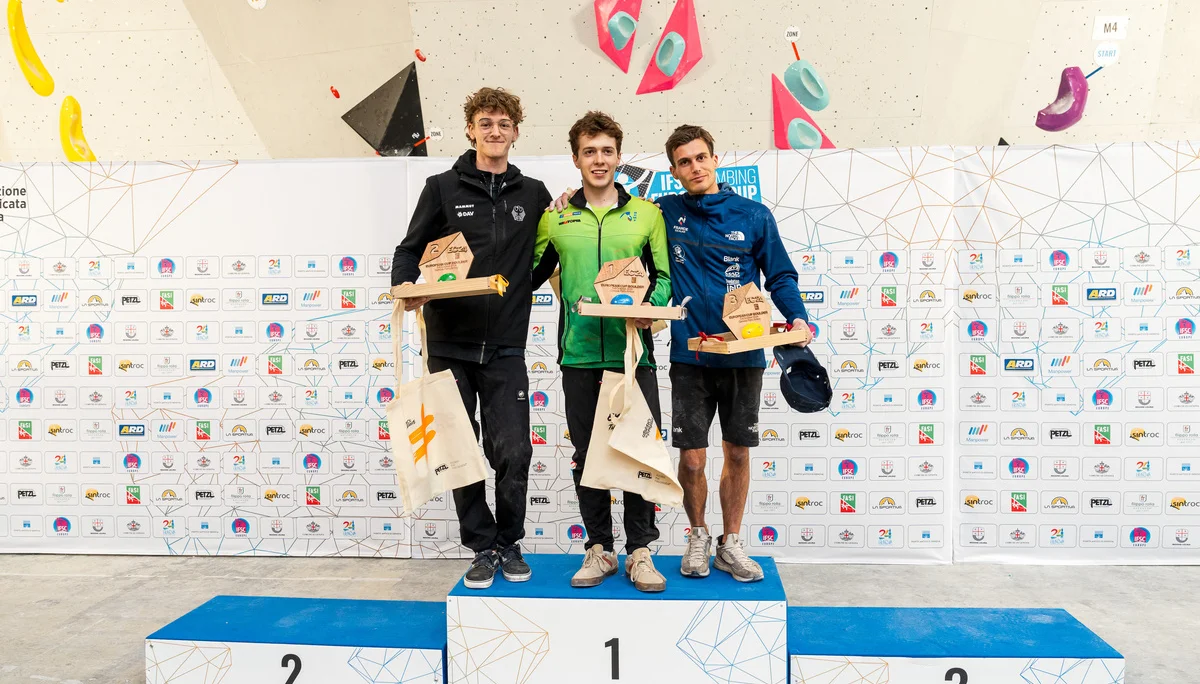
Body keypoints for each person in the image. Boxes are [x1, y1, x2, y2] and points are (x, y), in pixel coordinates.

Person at [392, 87, 552, 590]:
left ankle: (510, 542)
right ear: (470, 129)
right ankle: (482, 547)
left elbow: (545, 256)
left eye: (504, 123)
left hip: (506, 345)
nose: (495, 131)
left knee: (513, 451)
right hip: (449, 346)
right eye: (486, 122)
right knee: (460, 450)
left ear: (516, 131)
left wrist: (522, 286)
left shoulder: (536, 194)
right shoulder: (441, 187)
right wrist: (407, 288)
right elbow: (408, 249)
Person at [658, 125, 810, 582]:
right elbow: (613, 203)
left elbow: (780, 276)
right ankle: (699, 535)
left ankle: (731, 542)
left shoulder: (754, 214)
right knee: (691, 458)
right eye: (684, 161)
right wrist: (568, 199)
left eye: (701, 157)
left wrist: (797, 318)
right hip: (690, 356)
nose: (695, 167)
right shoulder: (661, 213)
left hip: (745, 355)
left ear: (715, 159)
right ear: (674, 171)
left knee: (739, 454)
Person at [531, 111, 672, 592]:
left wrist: (647, 308)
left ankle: (640, 551)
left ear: (619, 156)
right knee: (587, 453)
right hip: (579, 355)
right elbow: (528, 273)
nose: (598, 159)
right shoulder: (556, 217)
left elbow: (664, 277)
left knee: (638, 453)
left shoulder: (647, 215)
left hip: (635, 355)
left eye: (607, 151)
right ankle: (600, 548)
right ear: (575, 158)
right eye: (589, 151)